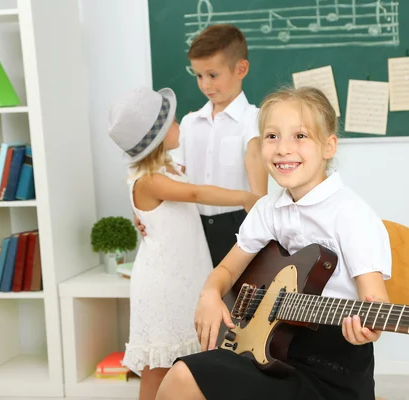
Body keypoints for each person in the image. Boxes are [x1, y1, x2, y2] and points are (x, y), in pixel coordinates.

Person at [154, 86, 392, 400]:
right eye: (272, 136)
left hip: (331, 375)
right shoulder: (268, 209)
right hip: (270, 354)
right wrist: (210, 293)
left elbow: (376, 303)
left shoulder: (351, 215)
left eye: (300, 136)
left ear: (328, 146)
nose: (282, 149)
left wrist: (367, 331)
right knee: (181, 375)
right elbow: (227, 268)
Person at [106, 86, 260, 400]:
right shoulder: (150, 180)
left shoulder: (168, 170)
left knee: (184, 358)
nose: (180, 126)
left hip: (183, 278)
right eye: (174, 122)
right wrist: (246, 197)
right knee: (158, 362)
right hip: (163, 283)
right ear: (160, 135)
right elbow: (196, 193)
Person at [136, 24, 268, 267]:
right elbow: (173, 179)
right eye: (199, 76)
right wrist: (148, 214)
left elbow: (257, 177)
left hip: (238, 225)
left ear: (241, 69)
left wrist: (262, 225)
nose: (205, 85)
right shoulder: (189, 123)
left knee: (238, 300)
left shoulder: (255, 119)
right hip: (191, 227)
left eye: (213, 75)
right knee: (197, 298)